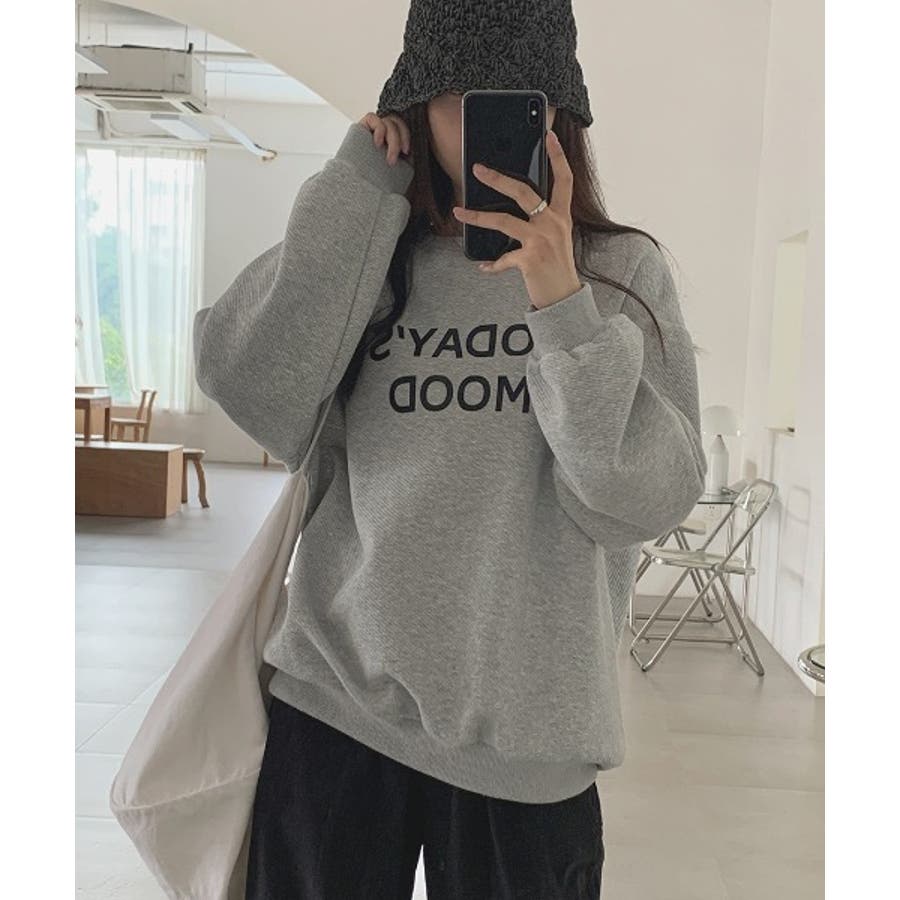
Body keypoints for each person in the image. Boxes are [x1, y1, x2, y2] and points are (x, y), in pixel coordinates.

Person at [192, 1, 708, 896]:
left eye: (514, 101)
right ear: (414, 102)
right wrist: (355, 190)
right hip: (338, 705)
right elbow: (251, 384)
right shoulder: (373, 250)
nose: (479, 126)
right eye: (456, 97)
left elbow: (640, 502)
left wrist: (563, 306)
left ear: (557, 116)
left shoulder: (620, 275)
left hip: (529, 739)